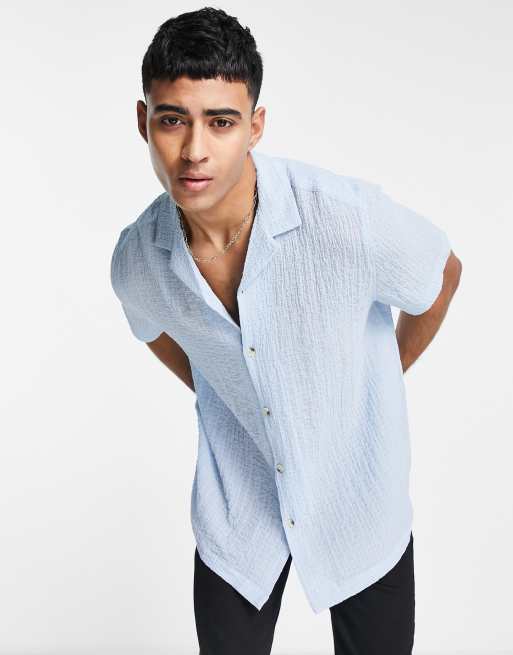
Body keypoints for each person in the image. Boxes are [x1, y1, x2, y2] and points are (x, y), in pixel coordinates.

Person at [110, 7, 462, 654]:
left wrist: (374, 379)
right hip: (237, 512)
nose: (194, 150)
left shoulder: (343, 218)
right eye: (172, 119)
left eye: (221, 122)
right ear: (143, 121)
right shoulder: (138, 260)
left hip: (359, 499)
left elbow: (441, 275)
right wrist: (226, 384)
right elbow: (154, 329)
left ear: (255, 126)